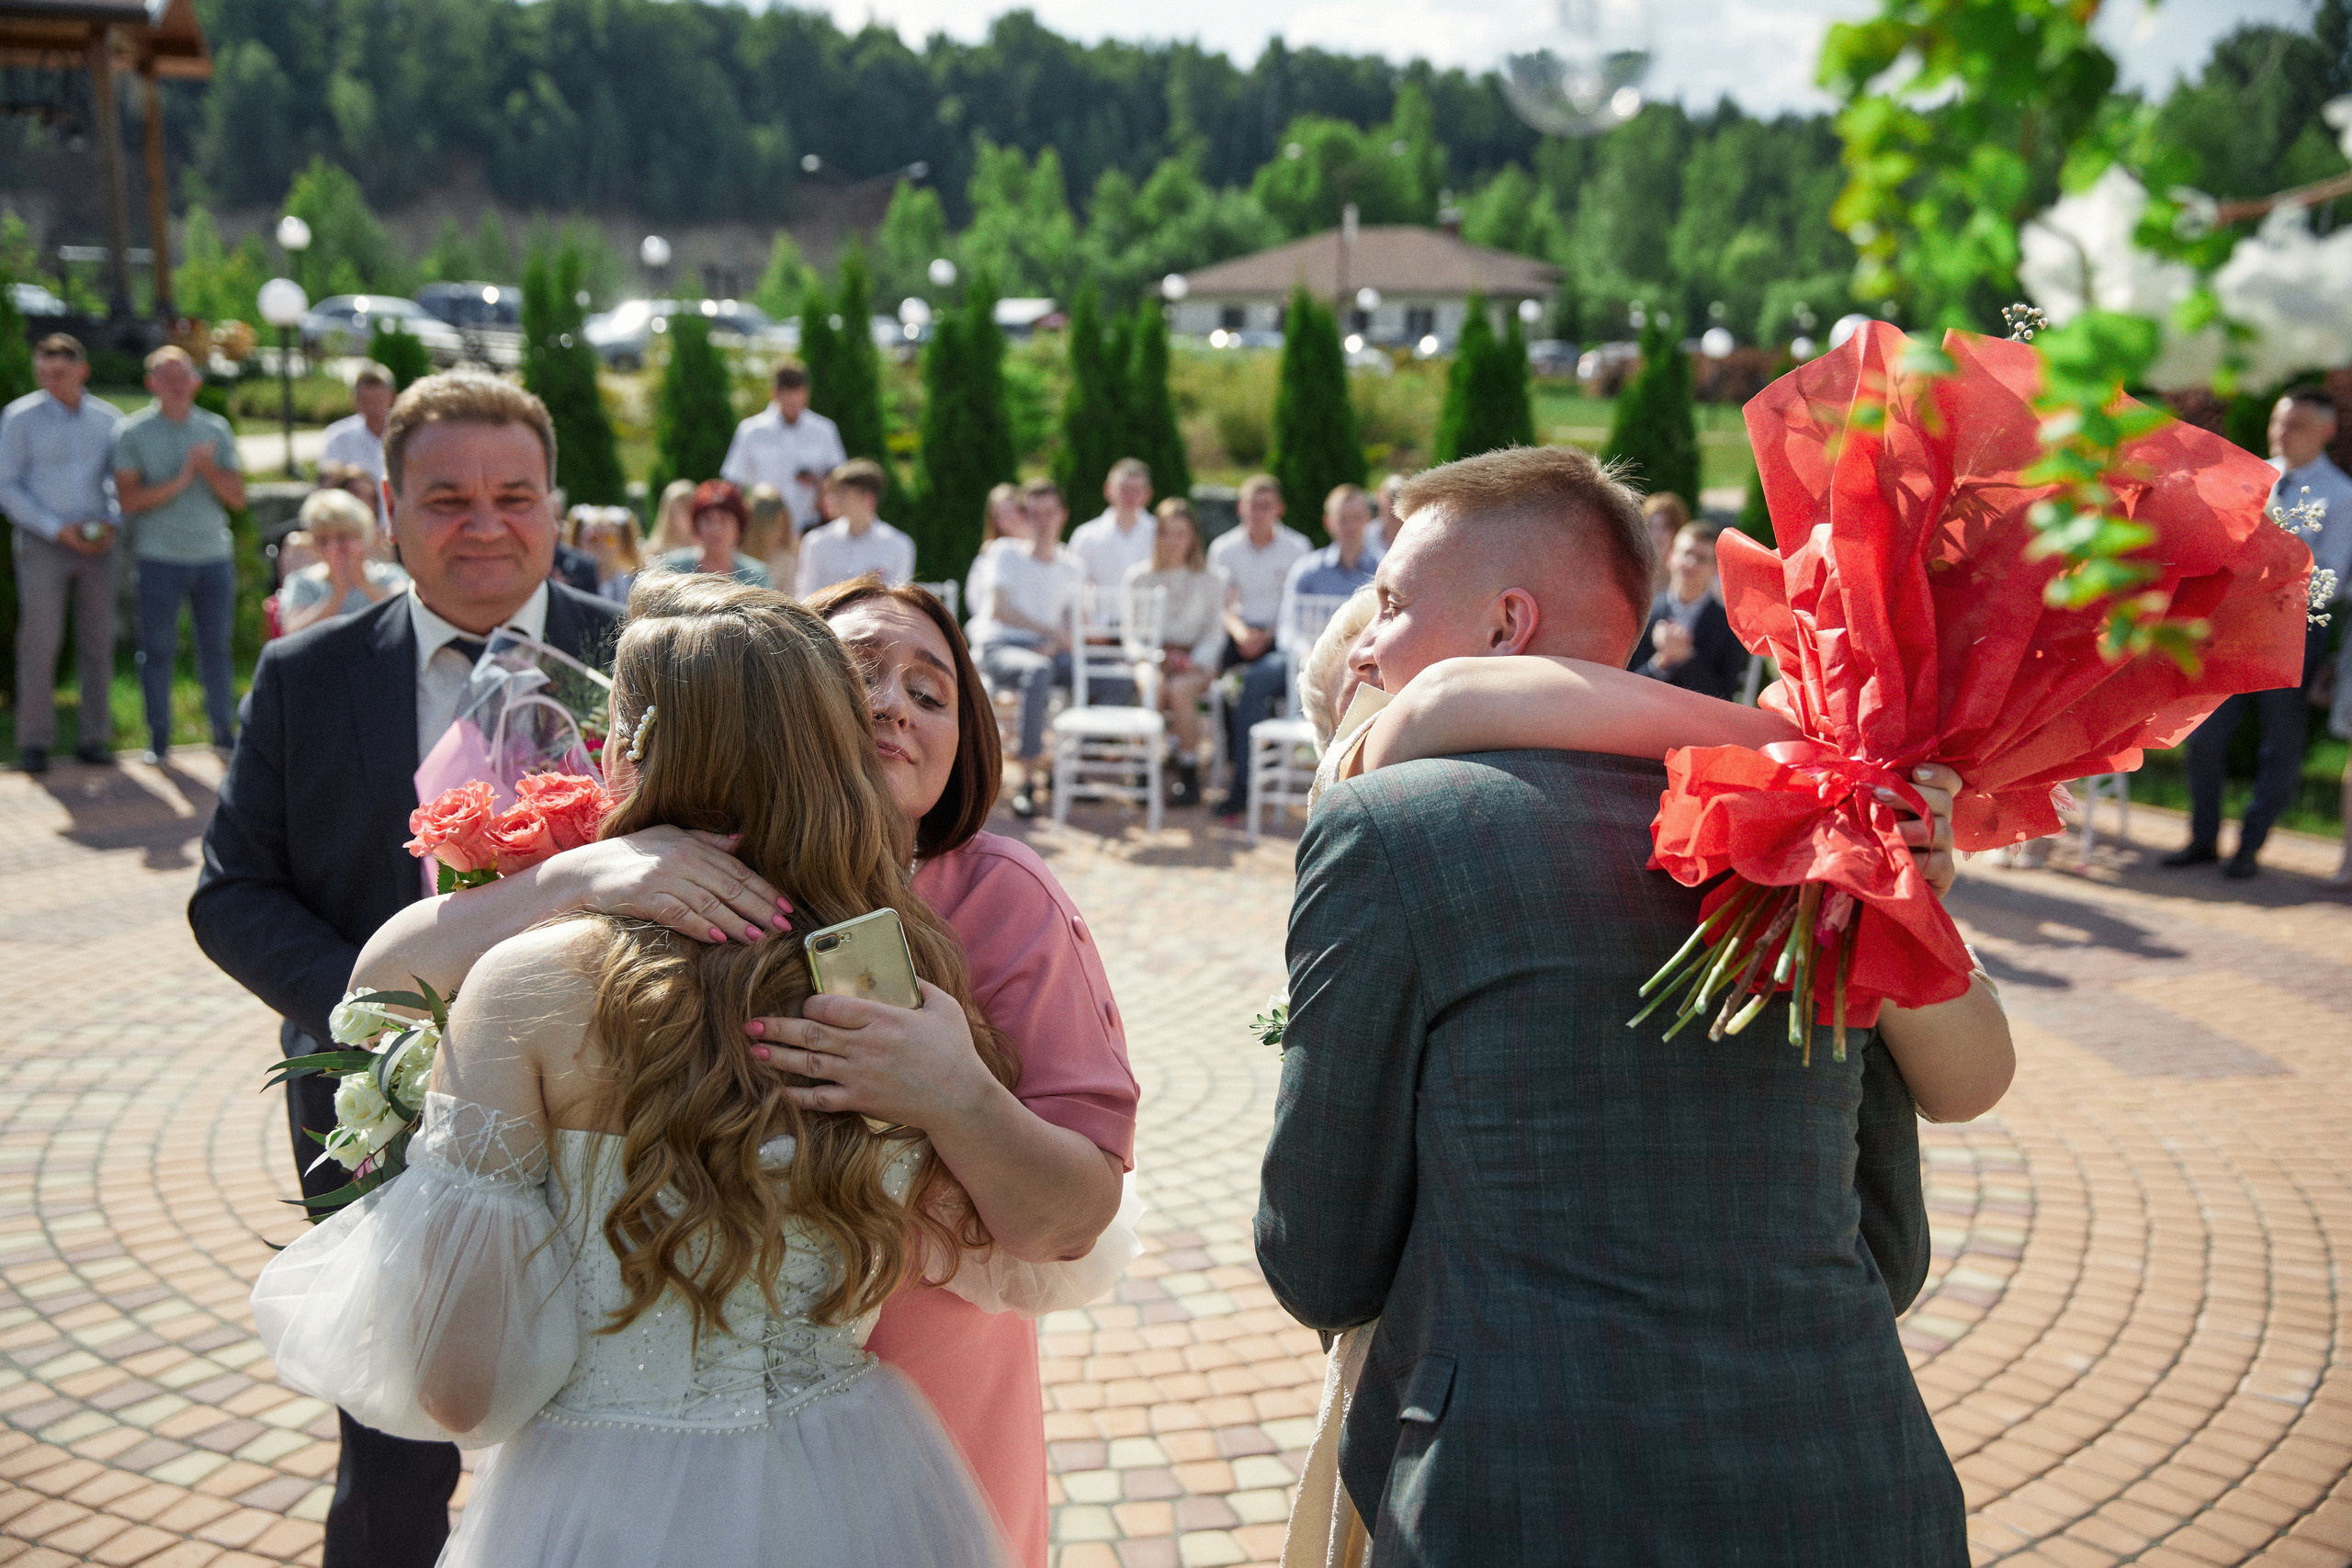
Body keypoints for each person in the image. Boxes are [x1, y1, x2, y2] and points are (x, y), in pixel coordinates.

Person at [254, 574, 1135, 1567]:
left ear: (631, 748)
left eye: (927, 691)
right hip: (863, 1468)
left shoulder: (532, 986)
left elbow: (463, 1389)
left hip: (612, 1489)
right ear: (823, 740)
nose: (889, 707)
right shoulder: (901, 965)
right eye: (862, 684)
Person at [1258, 444, 2007, 1564]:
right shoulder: (1810, 839)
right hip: (1852, 1490)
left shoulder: (1396, 830)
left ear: (1509, 626)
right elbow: (1886, 1250)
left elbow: (1318, 1257)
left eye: (1391, 603)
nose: (1365, 642)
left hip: (1523, 1503)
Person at [189, 372, 623, 1568]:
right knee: (395, 1446)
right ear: (387, 507)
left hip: (613, 1111)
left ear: (555, 505)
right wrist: (381, 1012)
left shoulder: (646, 657)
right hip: (376, 1114)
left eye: (512, 494)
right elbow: (232, 891)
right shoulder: (308, 675)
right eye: (447, 497)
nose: (484, 522)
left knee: (613, 1417)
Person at [2166, 388, 2352, 880]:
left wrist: (2267, 579)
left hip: (2294, 633)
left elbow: (2330, 577)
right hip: (2232, 625)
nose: (2281, 433)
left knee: (2281, 743)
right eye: (2278, 422)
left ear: (2327, 431)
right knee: (2204, 735)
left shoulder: (2341, 496)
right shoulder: (2251, 476)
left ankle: (2249, 847)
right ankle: (2203, 838)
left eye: (2297, 425)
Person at [112, 345, 245, 765]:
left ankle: (222, 731)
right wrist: (185, 475)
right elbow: (129, 499)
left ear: (195, 381)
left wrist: (206, 470)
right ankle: (159, 740)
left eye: (182, 375)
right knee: (157, 650)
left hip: (213, 557)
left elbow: (237, 499)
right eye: (165, 376)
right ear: (151, 383)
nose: (175, 383)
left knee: (215, 649)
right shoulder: (133, 434)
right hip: (158, 559)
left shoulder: (216, 429)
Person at [0, 333, 122, 774]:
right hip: (42, 542)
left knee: (97, 641)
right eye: (44, 372)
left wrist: (112, 519)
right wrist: (57, 529)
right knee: (40, 641)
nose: (50, 380)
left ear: (81, 371)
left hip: (98, 543)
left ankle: (95, 738)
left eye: (59, 372)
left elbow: (118, 479)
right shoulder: (19, 418)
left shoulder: (108, 420)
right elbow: (6, 485)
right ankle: (34, 743)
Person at [970, 479, 1087, 818]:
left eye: (1049, 513)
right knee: (1037, 672)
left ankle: (1067, 766)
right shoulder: (1004, 552)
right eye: (1034, 514)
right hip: (1001, 647)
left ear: (1063, 515)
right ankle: (1027, 780)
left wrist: (1054, 642)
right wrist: (1048, 635)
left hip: (1048, 652)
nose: (1043, 521)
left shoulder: (1073, 566)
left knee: (1107, 679)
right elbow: (1000, 610)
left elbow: (1073, 622)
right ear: (1026, 517)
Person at [1211, 474, 1313, 819]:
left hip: (1279, 639)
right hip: (1235, 633)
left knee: (1253, 684)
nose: (1258, 512)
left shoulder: (1298, 549)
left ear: (1279, 509)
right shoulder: (1223, 549)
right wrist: (1240, 633)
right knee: (1214, 678)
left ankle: (1242, 780)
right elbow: (1220, 604)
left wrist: (1265, 636)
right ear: (1240, 508)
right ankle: (1228, 760)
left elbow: (1295, 612)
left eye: (1266, 505)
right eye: (1252, 505)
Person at [1125, 498, 1226, 807]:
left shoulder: (1211, 578)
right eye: (1166, 532)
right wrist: (1154, 657)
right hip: (1152, 656)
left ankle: (1188, 774)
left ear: (1192, 536)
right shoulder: (1138, 577)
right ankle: (1144, 769)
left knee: (1181, 691)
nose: (1173, 541)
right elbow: (1131, 634)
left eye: (1181, 533)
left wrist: (1194, 661)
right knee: (1152, 686)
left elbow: (1214, 632)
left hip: (1196, 661)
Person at [722, 359, 847, 536]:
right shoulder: (751, 431)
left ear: (806, 394)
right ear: (774, 394)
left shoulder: (824, 430)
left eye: (798, 401)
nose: (794, 408)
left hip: (811, 528)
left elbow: (840, 479)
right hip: (763, 529)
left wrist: (818, 482)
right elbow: (733, 482)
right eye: (789, 402)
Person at [1628, 518, 1747, 701]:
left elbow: (1725, 698)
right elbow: (1623, 684)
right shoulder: (1643, 612)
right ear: (1671, 557)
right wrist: (1660, 663)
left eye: (1701, 558)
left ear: (1715, 569)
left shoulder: (1730, 627)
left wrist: (1687, 658)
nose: (1691, 563)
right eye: (1686, 553)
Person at [1277, 484, 1383, 663]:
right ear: (1328, 522)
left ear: (1369, 520)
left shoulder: (1385, 569)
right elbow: (1288, 628)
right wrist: (1306, 652)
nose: (1350, 526)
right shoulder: (1306, 571)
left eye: (1356, 518)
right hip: (1315, 665)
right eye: (1342, 519)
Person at [279, 488, 408, 633]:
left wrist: (365, 585)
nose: (333, 548)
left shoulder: (389, 575)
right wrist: (337, 595)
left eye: (343, 537)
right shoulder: (302, 582)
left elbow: (407, 613)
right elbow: (291, 633)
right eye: (323, 540)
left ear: (363, 537)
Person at [796, 458, 914, 598]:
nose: (834, 499)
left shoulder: (899, 545)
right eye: (835, 493)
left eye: (843, 493)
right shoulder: (815, 542)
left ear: (868, 498)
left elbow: (898, 601)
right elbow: (805, 596)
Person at [659, 479, 771, 586]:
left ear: (739, 527)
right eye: (708, 519)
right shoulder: (675, 570)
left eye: (724, 520)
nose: (715, 529)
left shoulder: (755, 576)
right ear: (696, 525)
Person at [1067, 457, 1157, 589]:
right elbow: (1073, 584)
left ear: (1148, 493)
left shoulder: (1161, 533)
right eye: (1124, 489)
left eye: (1136, 490)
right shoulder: (1086, 535)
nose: (1130, 496)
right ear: (1108, 489)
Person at [318, 361, 394, 485]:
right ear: (355, 400)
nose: (372, 408)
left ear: (390, 397)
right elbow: (327, 484)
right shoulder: (338, 437)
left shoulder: (404, 433)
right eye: (366, 401)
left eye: (378, 400)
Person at [964, 482, 1024, 629]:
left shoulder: (1044, 554)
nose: (1008, 519)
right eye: (1000, 515)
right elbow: (975, 601)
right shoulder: (989, 555)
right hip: (1001, 631)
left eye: (1012, 511)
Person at [568, 504, 641, 604]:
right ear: (578, 542)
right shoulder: (569, 584)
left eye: (609, 539)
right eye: (592, 538)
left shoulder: (634, 586)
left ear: (623, 543)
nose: (601, 546)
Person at [745, 482, 797, 594]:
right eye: (775, 526)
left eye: (783, 526)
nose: (780, 532)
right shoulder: (738, 556)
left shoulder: (786, 559)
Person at [1641, 491, 1688, 593]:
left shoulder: (1688, 570)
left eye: (1665, 527)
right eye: (1651, 526)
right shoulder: (1635, 571)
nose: (1657, 534)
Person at [649, 476, 699, 554]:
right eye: (675, 511)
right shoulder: (655, 550)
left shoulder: (706, 546)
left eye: (686, 509)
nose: (681, 516)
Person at [1368, 471, 1406, 553]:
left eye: (1402, 496)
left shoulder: (1418, 533)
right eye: (1392, 495)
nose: (1396, 502)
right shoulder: (1365, 536)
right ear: (1378, 497)